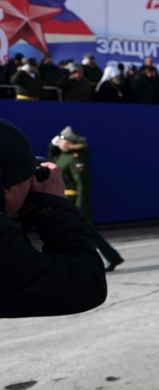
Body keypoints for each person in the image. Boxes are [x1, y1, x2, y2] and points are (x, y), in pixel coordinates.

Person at [0, 119, 107, 317]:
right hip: (63, 203)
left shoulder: (75, 159)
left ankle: (112, 257)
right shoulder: (65, 157)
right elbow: (86, 285)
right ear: (7, 191)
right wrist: (54, 208)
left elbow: (82, 185)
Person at [48, 127, 125, 272]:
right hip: (64, 200)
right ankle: (111, 257)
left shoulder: (76, 159)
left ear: (70, 143)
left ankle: (108, 257)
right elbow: (52, 157)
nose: (60, 141)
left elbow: (83, 185)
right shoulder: (62, 156)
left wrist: (80, 207)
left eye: (62, 140)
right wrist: (53, 144)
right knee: (74, 232)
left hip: (74, 200)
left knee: (86, 231)